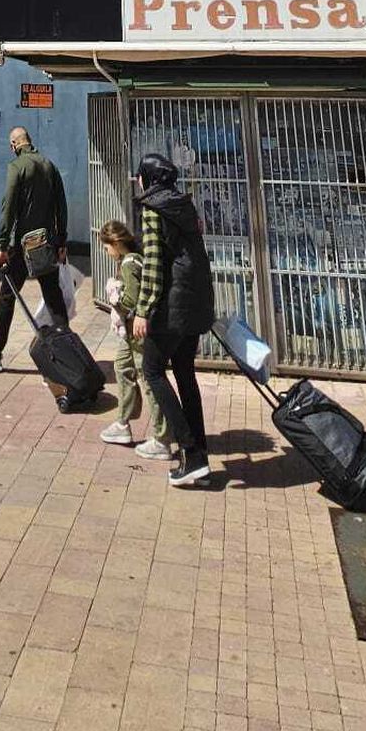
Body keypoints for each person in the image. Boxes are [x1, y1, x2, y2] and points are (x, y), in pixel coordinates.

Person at [132, 150, 216, 489]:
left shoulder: (153, 209)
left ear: (147, 179)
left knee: (152, 370)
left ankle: (190, 450)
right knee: (184, 374)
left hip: (173, 304)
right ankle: (200, 458)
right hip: (196, 300)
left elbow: (153, 262)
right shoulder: (184, 205)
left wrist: (143, 309)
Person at [0, 126, 68, 373]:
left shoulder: (16, 167)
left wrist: (2, 245)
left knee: (8, 297)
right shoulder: (50, 166)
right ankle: (68, 352)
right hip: (46, 244)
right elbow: (61, 206)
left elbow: (8, 209)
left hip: (22, 247)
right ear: (30, 141)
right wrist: (61, 242)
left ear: (14, 145)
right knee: (54, 299)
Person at [96, 219, 170, 460]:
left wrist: (114, 299)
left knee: (147, 378)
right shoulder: (135, 258)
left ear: (116, 243)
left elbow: (132, 298)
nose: (106, 252)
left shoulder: (129, 264)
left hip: (137, 331)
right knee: (121, 367)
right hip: (131, 333)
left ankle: (162, 437)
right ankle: (123, 422)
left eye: (106, 247)